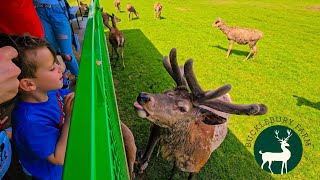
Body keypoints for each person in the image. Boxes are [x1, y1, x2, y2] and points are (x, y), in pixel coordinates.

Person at [0, 34, 74, 180]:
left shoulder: (51, 92)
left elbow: (69, 96)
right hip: (53, 174)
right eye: (52, 68)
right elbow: (58, 158)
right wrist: (69, 118)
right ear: (29, 84)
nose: (60, 68)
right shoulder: (30, 122)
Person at [33, 0, 79, 79]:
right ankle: (63, 76)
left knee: (66, 55)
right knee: (53, 52)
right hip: (39, 11)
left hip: (57, 11)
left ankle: (79, 75)